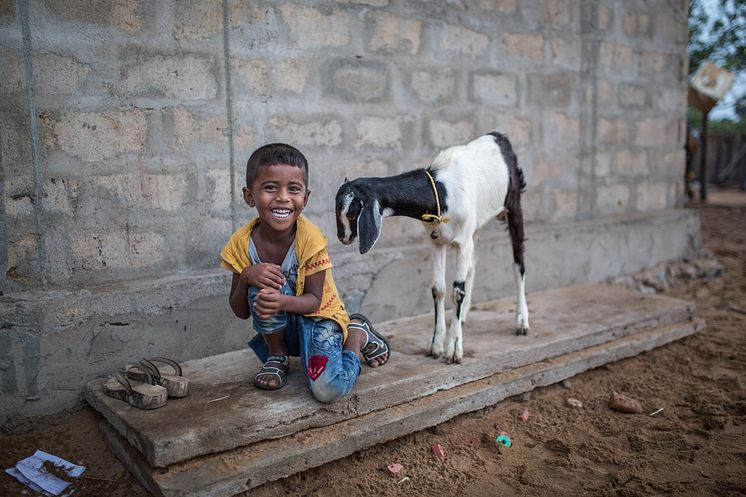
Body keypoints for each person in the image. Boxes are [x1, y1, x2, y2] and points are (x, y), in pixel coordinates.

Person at [220, 143, 389, 401]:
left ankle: (355, 334)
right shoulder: (240, 243)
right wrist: (246, 277)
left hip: (319, 319)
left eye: (293, 189)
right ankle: (277, 355)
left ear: (305, 198)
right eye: (270, 187)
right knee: (262, 280)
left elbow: (314, 300)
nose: (283, 197)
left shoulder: (310, 239)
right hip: (286, 328)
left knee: (327, 390)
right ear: (249, 196)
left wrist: (281, 301)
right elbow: (240, 311)